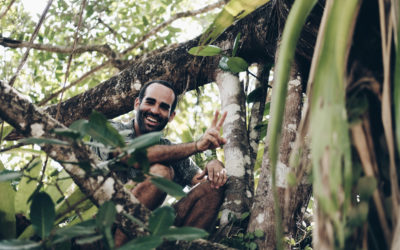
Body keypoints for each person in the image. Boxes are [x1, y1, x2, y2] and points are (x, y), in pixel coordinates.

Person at [95, 80, 228, 246]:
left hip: (150, 231)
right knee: (161, 173)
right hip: (106, 226)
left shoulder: (170, 150)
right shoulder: (111, 130)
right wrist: (196, 146)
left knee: (213, 189)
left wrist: (215, 166)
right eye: (150, 102)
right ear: (137, 104)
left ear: (171, 116)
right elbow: (132, 156)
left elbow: (202, 182)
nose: (155, 111)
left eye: (164, 107)